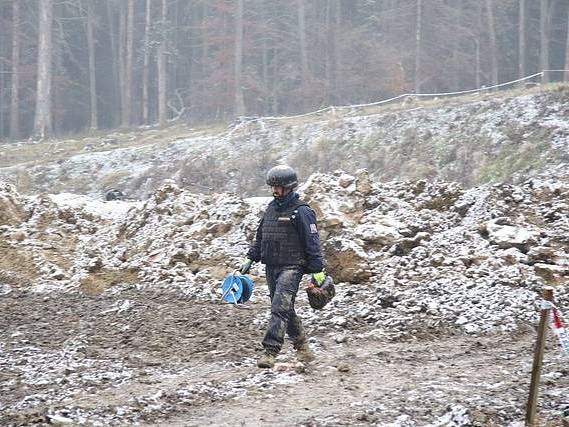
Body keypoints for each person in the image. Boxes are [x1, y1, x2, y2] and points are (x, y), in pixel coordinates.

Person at [240, 165, 328, 368]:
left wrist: (317, 270)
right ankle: (302, 346)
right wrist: (250, 258)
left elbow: (312, 241)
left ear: (289, 187)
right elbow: (261, 236)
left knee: (279, 308)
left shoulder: (302, 211)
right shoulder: (271, 208)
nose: (274, 190)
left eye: (278, 187)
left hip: (292, 267)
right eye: (272, 186)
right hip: (271, 266)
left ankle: (270, 351)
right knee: (284, 308)